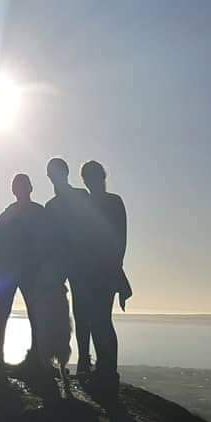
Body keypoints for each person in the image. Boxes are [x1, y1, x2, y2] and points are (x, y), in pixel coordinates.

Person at [0, 173, 46, 374]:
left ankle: (34, 358)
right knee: (1, 315)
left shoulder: (30, 212)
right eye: (17, 186)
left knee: (33, 316)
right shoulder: (15, 213)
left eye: (21, 186)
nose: (19, 190)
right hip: (13, 272)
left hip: (25, 271)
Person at [78, 160, 128, 392]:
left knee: (101, 321)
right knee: (98, 321)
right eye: (87, 177)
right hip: (92, 271)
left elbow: (119, 241)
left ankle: (107, 371)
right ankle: (105, 370)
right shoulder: (95, 202)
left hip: (104, 270)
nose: (90, 181)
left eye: (92, 176)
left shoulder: (112, 202)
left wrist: (116, 270)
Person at [43, 157, 95, 375]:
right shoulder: (55, 204)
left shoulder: (78, 198)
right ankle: (65, 358)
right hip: (66, 261)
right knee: (64, 310)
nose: (53, 178)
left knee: (80, 310)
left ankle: (82, 359)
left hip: (77, 260)